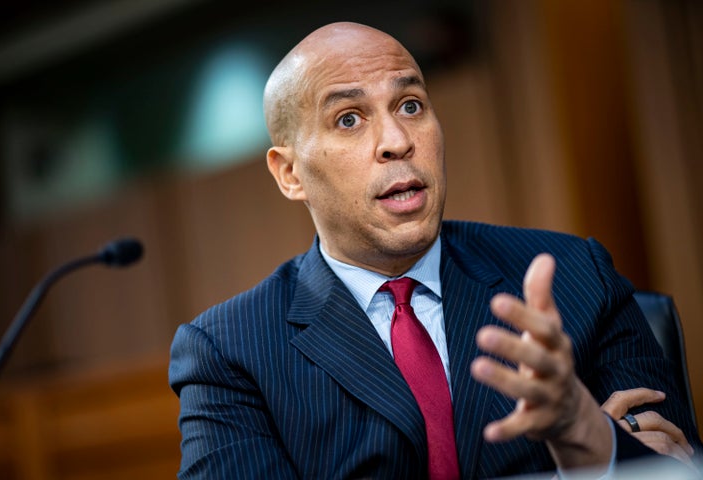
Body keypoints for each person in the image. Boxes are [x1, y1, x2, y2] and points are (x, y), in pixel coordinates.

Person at [168, 21, 701, 479]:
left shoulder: (577, 277)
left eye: (410, 104)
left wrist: (586, 432)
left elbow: (674, 466)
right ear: (289, 174)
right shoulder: (228, 351)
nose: (397, 139)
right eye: (348, 118)